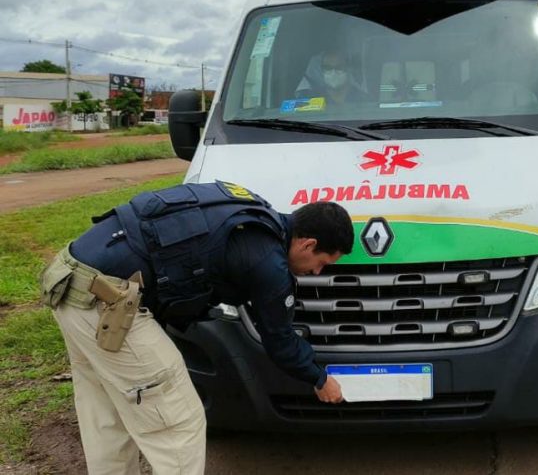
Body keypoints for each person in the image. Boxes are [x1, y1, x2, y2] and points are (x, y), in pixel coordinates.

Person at [38, 181, 354, 474]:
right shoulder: (268, 262)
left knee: (107, 412)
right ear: (308, 243)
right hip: (110, 302)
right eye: (323, 262)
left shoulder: (251, 213)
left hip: (70, 280)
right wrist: (319, 377)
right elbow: (280, 340)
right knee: (179, 423)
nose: (315, 272)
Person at [297, 50, 371, 106]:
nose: (333, 72)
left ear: (348, 69)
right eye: (328, 68)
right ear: (322, 70)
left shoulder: (363, 99)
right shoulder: (311, 99)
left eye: (339, 67)